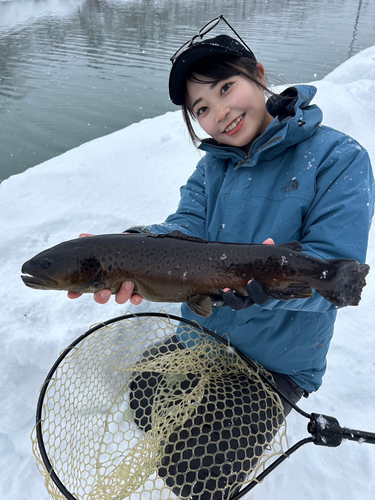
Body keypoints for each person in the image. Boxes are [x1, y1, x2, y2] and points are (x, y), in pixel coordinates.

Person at [69, 15, 374, 498]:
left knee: (192, 474)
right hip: (206, 336)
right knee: (145, 396)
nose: (220, 114)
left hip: (277, 360)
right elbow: (184, 228)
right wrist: (134, 244)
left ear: (259, 73)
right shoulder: (212, 169)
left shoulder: (339, 159)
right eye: (203, 108)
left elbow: (330, 284)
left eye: (227, 87)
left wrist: (274, 289)